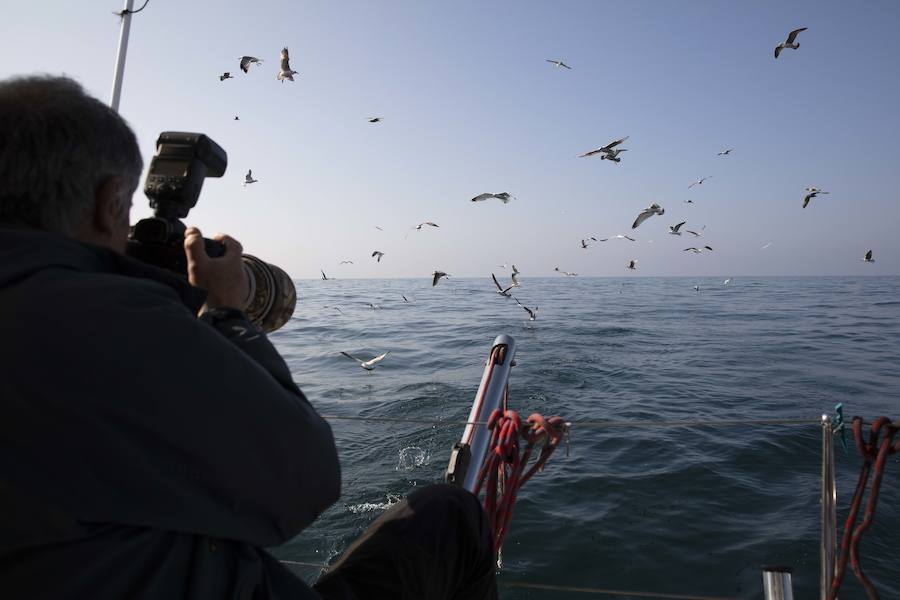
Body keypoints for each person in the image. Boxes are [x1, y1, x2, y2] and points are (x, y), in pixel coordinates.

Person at [0, 75, 497, 599]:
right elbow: (304, 485)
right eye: (124, 215)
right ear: (110, 201)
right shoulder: (101, 316)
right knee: (452, 515)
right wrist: (226, 313)